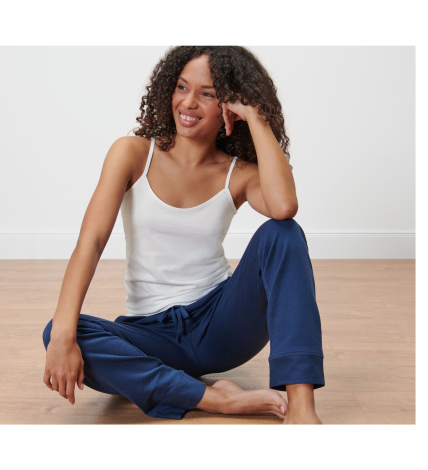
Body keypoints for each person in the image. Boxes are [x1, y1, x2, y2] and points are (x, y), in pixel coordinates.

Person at [42, 46, 325, 424]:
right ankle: (214, 399)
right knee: (60, 330)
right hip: (150, 335)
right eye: (181, 87)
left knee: (283, 234)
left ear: (229, 105)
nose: (188, 102)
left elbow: (284, 206)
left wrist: (257, 118)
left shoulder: (239, 173)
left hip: (221, 325)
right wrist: (63, 336)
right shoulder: (132, 153)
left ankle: (302, 407)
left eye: (207, 93)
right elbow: (90, 243)